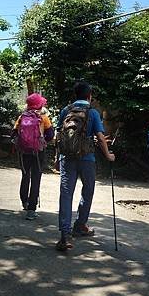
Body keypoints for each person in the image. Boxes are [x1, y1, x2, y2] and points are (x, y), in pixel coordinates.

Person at [55, 81, 115, 251]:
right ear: (89, 96)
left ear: (76, 95)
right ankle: (80, 225)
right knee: (87, 191)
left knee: (66, 194)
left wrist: (57, 159)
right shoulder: (93, 113)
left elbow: (59, 136)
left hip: (67, 158)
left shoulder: (66, 111)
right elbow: (101, 137)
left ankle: (64, 236)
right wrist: (108, 155)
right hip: (87, 159)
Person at [13, 93, 54, 220]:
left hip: (24, 152)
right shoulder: (43, 118)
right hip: (38, 152)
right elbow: (51, 134)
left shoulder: (21, 117)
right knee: (36, 179)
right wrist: (42, 141)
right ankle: (31, 210)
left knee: (25, 176)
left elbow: (14, 133)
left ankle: (24, 202)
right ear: (40, 104)